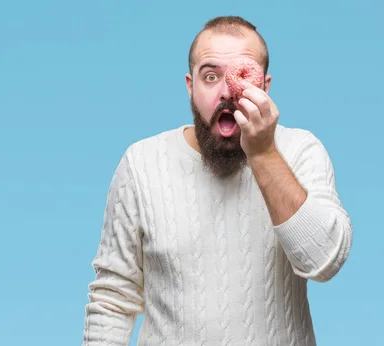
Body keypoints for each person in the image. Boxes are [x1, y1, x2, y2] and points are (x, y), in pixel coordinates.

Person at [81, 16, 352, 346]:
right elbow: (112, 299)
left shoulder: (300, 150)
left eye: (241, 76)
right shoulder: (142, 164)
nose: (227, 92)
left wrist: (264, 154)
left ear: (265, 87)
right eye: (210, 76)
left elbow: (324, 262)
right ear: (190, 86)